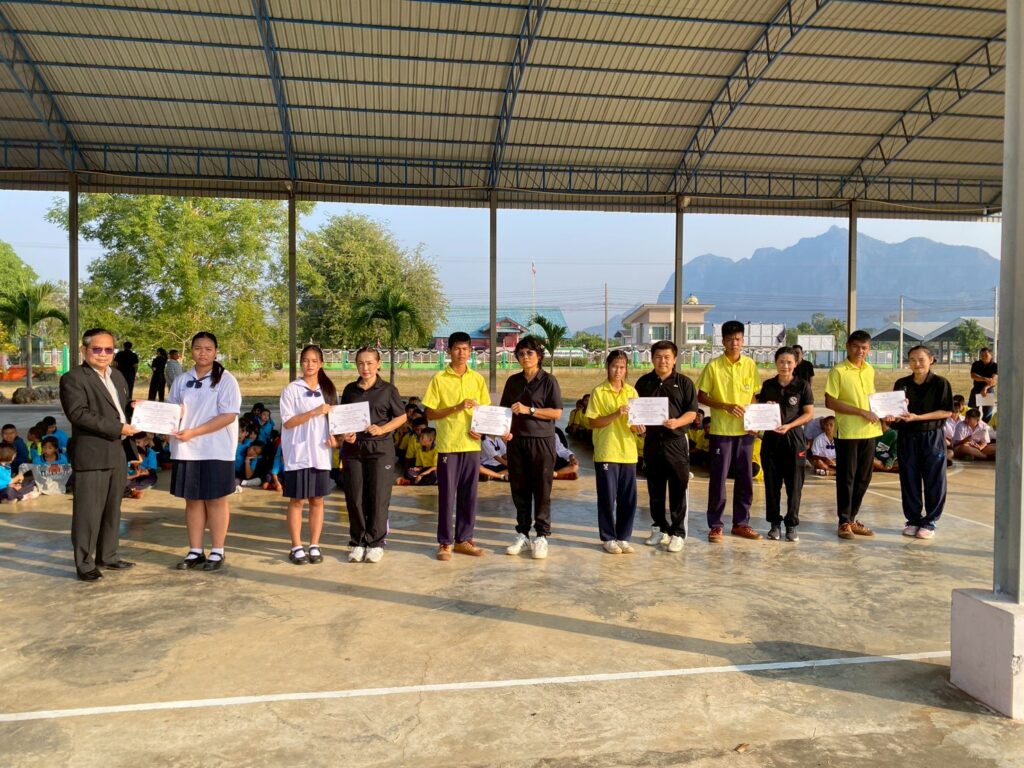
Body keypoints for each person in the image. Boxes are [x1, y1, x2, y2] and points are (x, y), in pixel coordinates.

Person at [58, 328, 140, 580]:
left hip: (117, 451)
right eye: (97, 349)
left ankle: (109, 555)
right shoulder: (73, 378)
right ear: (84, 350)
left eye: (108, 349)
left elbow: (119, 409)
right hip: (92, 454)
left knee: (112, 509)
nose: (103, 354)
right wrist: (119, 428)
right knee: (88, 513)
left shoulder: (117, 376)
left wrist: (134, 408)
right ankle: (85, 564)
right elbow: (79, 414)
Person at [167, 332, 243, 572]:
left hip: (216, 449)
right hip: (186, 450)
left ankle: (217, 550)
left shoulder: (226, 380)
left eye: (208, 349)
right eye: (198, 348)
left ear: (216, 352)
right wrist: (147, 412)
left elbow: (228, 415)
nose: (202, 353)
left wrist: (195, 431)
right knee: (193, 501)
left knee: (216, 500)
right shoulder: (182, 380)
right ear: (191, 350)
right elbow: (170, 411)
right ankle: (195, 550)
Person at [422, 331, 491, 561]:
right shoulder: (439, 378)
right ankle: (445, 543)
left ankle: (464, 540)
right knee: (446, 496)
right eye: (457, 349)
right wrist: (456, 407)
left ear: (471, 351)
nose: (461, 353)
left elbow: (485, 412)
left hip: (472, 445)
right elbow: (430, 413)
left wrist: (481, 430)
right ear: (449, 351)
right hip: (448, 446)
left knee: (469, 495)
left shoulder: (477, 379)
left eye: (465, 349)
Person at [340, 347, 407, 564]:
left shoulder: (388, 390)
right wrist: (346, 434)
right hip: (354, 451)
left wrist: (382, 428)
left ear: (379, 364)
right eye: (360, 363)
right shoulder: (350, 390)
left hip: (380, 450)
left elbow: (402, 417)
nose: (365, 368)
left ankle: (376, 543)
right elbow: (343, 419)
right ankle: (358, 542)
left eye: (369, 363)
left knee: (378, 497)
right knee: (355, 497)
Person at [697, 320, 762, 542]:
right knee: (718, 479)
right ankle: (716, 525)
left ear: (743, 340)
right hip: (722, 432)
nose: (735, 343)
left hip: (745, 433)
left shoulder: (750, 365)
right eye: (730, 339)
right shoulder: (714, 366)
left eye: (738, 339)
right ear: (723, 341)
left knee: (745, 479)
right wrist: (724, 406)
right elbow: (701, 396)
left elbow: (753, 396)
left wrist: (754, 421)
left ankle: (741, 523)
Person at [634, 340, 700, 552]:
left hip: (676, 442)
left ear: (675, 359)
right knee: (655, 488)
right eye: (658, 357)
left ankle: (678, 533)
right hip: (652, 442)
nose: (662, 361)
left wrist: (677, 422)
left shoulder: (684, 382)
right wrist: (637, 424)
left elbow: (692, 412)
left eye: (667, 357)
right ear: (652, 359)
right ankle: (659, 528)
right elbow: (635, 409)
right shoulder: (643, 382)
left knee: (678, 488)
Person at [501, 336, 563, 560]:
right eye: (521, 353)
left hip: (541, 441)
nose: (525, 357)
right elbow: (504, 412)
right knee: (519, 489)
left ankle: (542, 535)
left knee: (542, 489)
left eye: (530, 353)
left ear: (539, 356)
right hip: (517, 442)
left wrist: (531, 410)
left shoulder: (548, 381)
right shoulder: (513, 381)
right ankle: (523, 534)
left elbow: (557, 412)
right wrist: (503, 431)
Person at [279, 345, 337, 565]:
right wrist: (313, 412)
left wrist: (335, 438)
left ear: (321, 363)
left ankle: (314, 544)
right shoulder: (291, 389)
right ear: (300, 363)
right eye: (305, 360)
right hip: (299, 452)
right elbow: (288, 421)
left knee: (317, 500)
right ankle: (296, 546)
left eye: (314, 360)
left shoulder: (329, 390)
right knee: (297, 500)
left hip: (320, 452)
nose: (310, 364)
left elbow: (335, 421)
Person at [824, 330, 883, 540]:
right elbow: (830, 401)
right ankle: (843, 521)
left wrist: (887, 411)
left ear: (869, 349)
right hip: (848, 432)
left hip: (870, 431)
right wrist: (860, 412)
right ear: (848, 347)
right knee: (846, 478)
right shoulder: (838, 371)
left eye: (864, 347)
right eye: (856, 347)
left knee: (864, 477)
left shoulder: (869, 369)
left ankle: (852, 518)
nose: (860, 351)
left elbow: (871, 399)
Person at [891, 345, 953, 540]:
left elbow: (946, 411)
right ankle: (913, 519)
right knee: (909, 478)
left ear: (931, 360)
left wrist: (918, 417)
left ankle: (930, 520)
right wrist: (890, 416)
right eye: (912, 359)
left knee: (934, 479)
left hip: (931, 436)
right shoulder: (901, 384)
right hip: (907, 437)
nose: (916, 363)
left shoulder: (940, 383)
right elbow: (895, 410)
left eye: (921, 359)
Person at [585, 350, 641, 554]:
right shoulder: (599, 392)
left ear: (626, 369)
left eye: (622, 367)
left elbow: (634, 425)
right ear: (607, 367)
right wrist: (616, 414)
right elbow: (592, 422)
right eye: (614, 366)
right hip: (607, 451)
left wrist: (639, 427)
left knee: (628, 499)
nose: (618, 371)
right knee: (607, 498)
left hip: (628, 452)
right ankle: (608, 537)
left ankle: (624, 537)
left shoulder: (632, 392)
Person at [757, 346, 814, 542]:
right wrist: (764, 407)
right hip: (771, 440)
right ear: (776, 363)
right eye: (781, 362)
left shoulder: (802, 386)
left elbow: (808, 413)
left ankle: (791, 524)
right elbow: (758, 410)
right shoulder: (768, 385)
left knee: (794, 485)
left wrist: (789, 425)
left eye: (789, 362)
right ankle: (774, 524)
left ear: (795, 364)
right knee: (772, 484)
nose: (785, 366)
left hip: (794, 439)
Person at [125, 432, 160, 498]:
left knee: (152, 476)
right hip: (130, 477)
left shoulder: (150, 453)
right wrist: (134, 474)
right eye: (134, 442)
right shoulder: (129, 452)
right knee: (123, 482)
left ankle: (132, 489)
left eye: (138, 442)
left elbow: (151, 469)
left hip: (141, 477)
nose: (136, 445)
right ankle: (132, 490)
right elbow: (124, 474)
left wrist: (145, 472)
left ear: (146, 443)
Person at [968, 347, 998, 421]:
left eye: (986, 355)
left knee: (987, 414)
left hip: (988, 391)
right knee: (972, 412)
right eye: (982, 355)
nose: (983, 357)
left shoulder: (995, 365)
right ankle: (973, 426)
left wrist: (985, 388)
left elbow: (994, 380)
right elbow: (973, 376)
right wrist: (984, 379)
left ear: (991, 355)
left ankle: (984, 427)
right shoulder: (976, 364)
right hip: (976, 390)